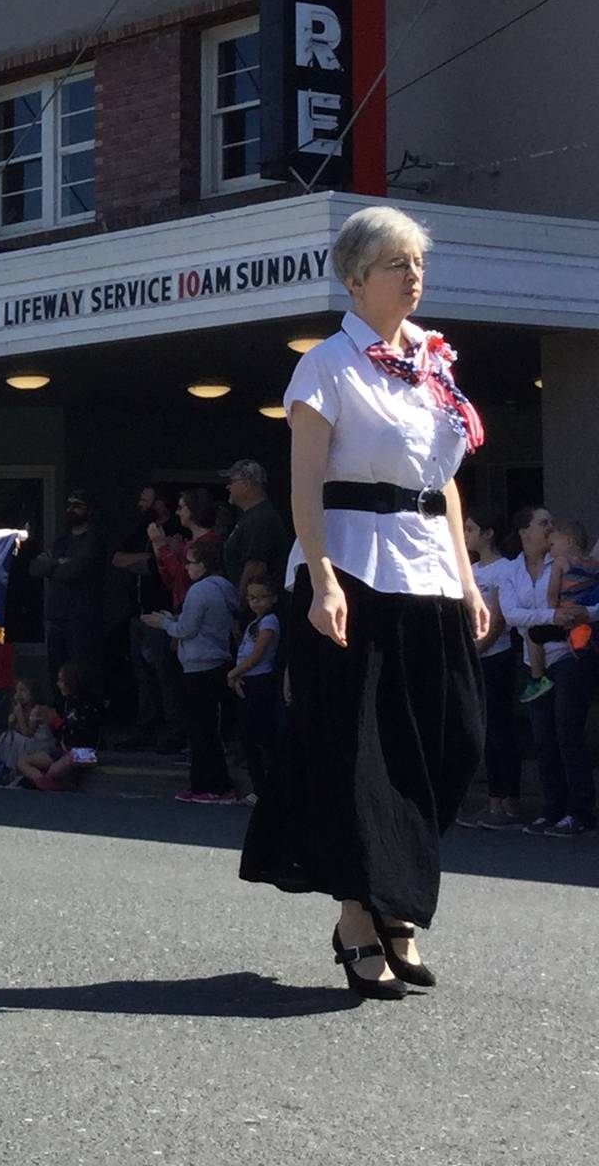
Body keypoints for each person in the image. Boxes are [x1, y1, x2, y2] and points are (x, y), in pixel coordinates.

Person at [240, 206, 489, 1000]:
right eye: (395, 264)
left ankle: (393, 894)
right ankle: (366, 914)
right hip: (352, 566)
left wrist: (471, 579)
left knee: (454, 739)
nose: (413, 275)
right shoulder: (325, 366)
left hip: (431, 574)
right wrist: (319, 580)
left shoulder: (434, 362)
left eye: (418, 262)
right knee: (359, 754)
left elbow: (443, 482)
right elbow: (305, 483)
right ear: (355, 278)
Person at [146, 535, 240, 802]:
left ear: (204, 564)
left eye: (191, 562)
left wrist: (163, 624)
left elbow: (186, 629)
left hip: (199, 667)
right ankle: (208, 784)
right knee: (208, 729)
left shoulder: (200, 590)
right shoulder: (225, 588)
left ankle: (211, 785)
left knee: (201, 731)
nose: (186, 567)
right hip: (218, 661)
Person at [523, 518, 596, 837]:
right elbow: (514, 612)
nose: (549, 536)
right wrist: (550, 617)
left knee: (567, 732)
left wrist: (567, 614)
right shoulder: (516, 570)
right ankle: (553, 808)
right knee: (545, 736)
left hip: (571, 657)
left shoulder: (563, 564)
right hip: (539, 659)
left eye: (554, 532)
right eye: (543, 527)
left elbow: (557, 603)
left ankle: (578, 812)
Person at [459, 513, 524, 831]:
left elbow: (497, 621)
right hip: (473, 658)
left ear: (488, 533)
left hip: (495, 658)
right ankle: (492, 801)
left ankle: (508, 802)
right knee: (484, 732)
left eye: (471, 529)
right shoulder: (469, 571)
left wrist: (477, 651)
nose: (465, 534)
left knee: (501, 730)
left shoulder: (505, 568)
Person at [110, 484, 180, 751]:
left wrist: (149, 561)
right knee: (142, 675)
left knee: (165, 673)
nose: (140, 504)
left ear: (160, 503)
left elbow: (160, 568)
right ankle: (146, 729)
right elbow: (117, 558)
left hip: (162, 613)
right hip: (136, 613)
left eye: (145, 499)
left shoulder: (175, 529)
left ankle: (174, 731)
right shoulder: (140, 528)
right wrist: (149, 557)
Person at [28, 490, 101, 677]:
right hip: (55, 618)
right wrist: (58, 563)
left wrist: (52, 565)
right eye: (69, 505)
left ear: (88, 510)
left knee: (80, 674)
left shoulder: (93, 540)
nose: (71, 509)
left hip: (81, 619)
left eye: (77, 505)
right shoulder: (61, 540)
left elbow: (73, 571)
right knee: (56, 675)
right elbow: (35, 568)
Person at [226, 574, 283, 801]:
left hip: (260, 681)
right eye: (251, 597)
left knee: (260, 737)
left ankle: (266, 789)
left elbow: (258, 654)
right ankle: (259, 787)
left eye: (261, 597)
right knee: (249, 738)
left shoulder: (269, 622)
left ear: (274, 598)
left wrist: (234, 672)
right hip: (247, 679)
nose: (256, 602)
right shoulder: (254, 622)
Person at [13, 662, 102, 791]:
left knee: (58, 767)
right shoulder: (66, 702)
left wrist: (57, 723)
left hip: (87, 753)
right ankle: (42, 781)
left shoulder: (87, 705)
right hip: (63, 750)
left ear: (71, 681)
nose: (58, 684)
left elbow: (82, 735)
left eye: (61, 681)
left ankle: (48, 784)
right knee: (22, 761)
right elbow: (60, 734)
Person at [222, 460, 291, 603]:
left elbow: (255, 566)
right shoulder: (251, 516)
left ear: (246, 484)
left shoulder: (261, 518)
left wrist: (241, 604)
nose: (227, 487)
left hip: (256, 608)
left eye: (231, 481)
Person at [0, 679, 56, 786]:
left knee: (15, 739)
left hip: (42, 746)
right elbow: (17, 731)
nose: (18, 694)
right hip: (32, 743)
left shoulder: (37, 710)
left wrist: (19, 715)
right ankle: (5, 767)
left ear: (33, 693)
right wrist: (12, 722)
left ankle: (10, 771)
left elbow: (28, 734)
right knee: (7, 736)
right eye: (17, 691)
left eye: (23, 690)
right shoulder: (22, 709)